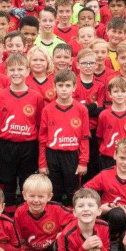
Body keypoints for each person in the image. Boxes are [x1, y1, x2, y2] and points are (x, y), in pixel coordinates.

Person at [0, 53, 42, 206]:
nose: (16, 73)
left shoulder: (36, 96)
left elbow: (37, 123)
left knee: (27, 179)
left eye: (20, 69)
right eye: (12, 70)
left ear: (27, 71)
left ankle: (26, 210)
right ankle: (9, 210)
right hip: (6, 144)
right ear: (6, 72)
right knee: (7, 179)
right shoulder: (0, 95)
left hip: (28, 146)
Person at [85, 139, 126, 251]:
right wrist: (99, 207)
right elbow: (85, 191)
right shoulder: (105, 174)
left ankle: (122, 237)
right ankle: (112, 240)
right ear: (115, 155)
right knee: (117, 214)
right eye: (122, 158)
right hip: (111, 216)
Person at [38, 70, 90, 202]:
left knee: (72, 191)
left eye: (67, 86)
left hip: (72, 156)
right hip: (52, 155)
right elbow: (42, 138)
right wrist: (42, 163)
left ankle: (72, 218)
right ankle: (55, 217)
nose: (64, 89)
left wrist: (83, 162)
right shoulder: (48, 109)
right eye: (60, 86)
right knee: (54, 190)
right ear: (54, 87)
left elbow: (84, 138)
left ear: (74, 87)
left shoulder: (81, 109)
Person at [13, 174, 73, 251]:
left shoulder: (56, 208)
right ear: (24, 195)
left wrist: (64, 233)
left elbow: (76, 218)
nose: (36, 200)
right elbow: (16, 240)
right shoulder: (20, 213)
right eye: (32, 196)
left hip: (53, 249)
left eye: (41, 196)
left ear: (49, 197)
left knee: (61, 241)